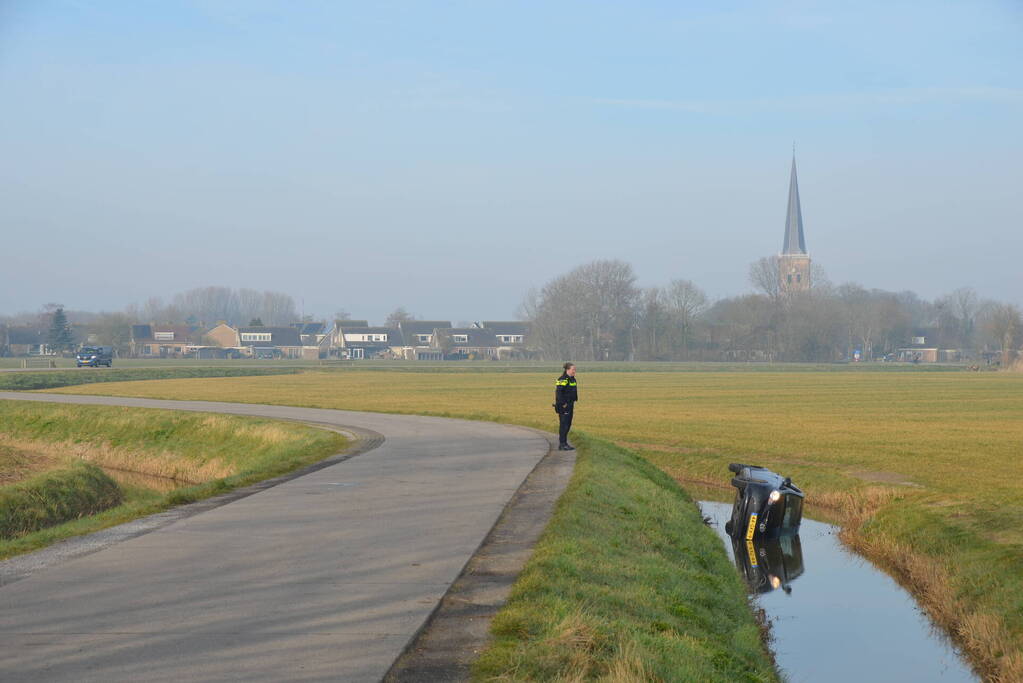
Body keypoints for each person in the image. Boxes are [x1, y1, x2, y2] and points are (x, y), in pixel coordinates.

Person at [553, 362, 578, 451]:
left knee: (568, 424)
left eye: (575, 369)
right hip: (563, 406)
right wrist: (563, 404)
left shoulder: (572, 379)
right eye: (573, 369)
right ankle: (562, 444)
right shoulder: (563, 379)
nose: (574, 371)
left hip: (570, 404)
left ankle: (564, 443)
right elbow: (559, 393)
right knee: (564, 425)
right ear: (567, 370)